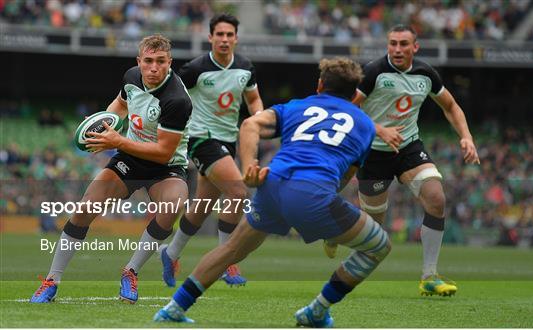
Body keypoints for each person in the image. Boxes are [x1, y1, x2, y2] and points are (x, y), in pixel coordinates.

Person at [153, 57, 392, 327]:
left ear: (320, 84)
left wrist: (250, 166)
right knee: (379, 246)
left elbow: (249, 125)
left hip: (273, 185)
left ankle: (174, 307)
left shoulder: (297, 107)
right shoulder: (365, 125)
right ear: (354, 93)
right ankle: (317, 309)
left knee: (232, 249)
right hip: (313, 193)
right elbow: (346, 175)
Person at [30, 34, 192, 304]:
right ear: (139, 61)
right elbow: (120, 105)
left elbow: (164, 151)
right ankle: (51, 280)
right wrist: (104, 124)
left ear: (170, 63)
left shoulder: (177, 100)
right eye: (148, 61)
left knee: (174, 205)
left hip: (167, 165)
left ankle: (131, 271)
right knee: (84, 209)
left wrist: (118, 141)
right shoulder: (131, 77)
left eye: (161, 62)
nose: (154, 67)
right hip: (130, 157)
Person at [324, 24, 480, 297]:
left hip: (408, 147)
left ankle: (429, 276)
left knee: (436, 199)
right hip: (373, 151)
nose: (397, 49)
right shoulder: (373, 72)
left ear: (415, 47)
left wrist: (466, 136)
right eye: (393, 43)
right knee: (373, 230)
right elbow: (349, 109)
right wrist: (380, 129)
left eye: (403, 44)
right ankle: (336, 230)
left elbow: (451, 106)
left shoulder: (426, 74)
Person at [158, 13, 263, 287]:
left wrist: (260, 119)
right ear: (211, 37)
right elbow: (171, 92)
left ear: (236, 38)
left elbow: (253, 100)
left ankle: (170, 253)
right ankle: (226, 261)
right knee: (239, 192)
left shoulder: (245, 68)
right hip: (200, 138)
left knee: (202, 206)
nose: (225, 39)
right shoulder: (195, 69)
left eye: (230, 35)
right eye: (220, 34)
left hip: (227, 141)